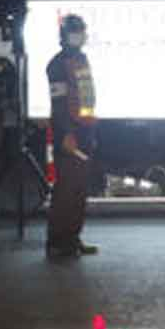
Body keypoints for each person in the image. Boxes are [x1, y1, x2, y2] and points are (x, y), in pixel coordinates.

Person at [46, 14, 99, 258]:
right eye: (74, 31)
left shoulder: (81, 59)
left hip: (85, 129)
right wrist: (66, 133)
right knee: (66, 189)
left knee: (79, 190)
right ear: (65, 36)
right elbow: (58, 103)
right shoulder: (58, 64)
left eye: (81, 31)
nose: (79, 35)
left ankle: (72, 238)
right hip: (69, 132)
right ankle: (58, 242)